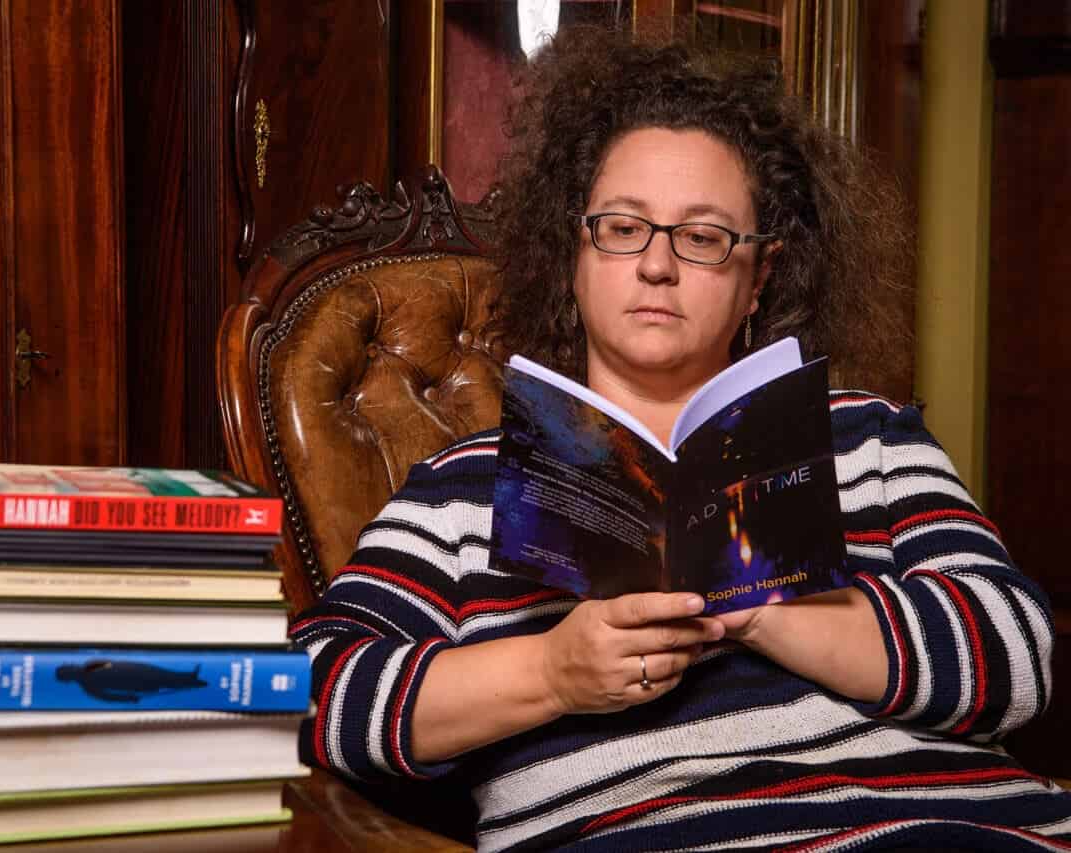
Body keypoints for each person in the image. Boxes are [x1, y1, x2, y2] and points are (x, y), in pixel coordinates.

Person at [289, 25, 1071, 852]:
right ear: (575, 251)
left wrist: (761, 605)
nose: (657, 266)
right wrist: (552, 673)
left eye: (702, 237)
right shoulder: (461, 488)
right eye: (624, 227)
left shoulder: (867, 435)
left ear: (757, 279)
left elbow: (1017, 654)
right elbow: (309, 691)